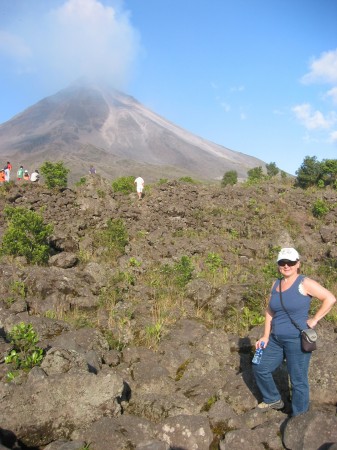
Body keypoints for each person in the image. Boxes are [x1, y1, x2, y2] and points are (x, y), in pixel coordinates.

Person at [253, 247, 336, 416]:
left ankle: (299, 418)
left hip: (297, 339)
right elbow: (270, 311)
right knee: (259, 367)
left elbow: (330, 298)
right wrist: (265, 335)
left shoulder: (304, 283)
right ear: (278, 265)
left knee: (298, 380)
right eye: (282, 262)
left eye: (290, 262)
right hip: (275, 339)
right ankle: (273, 399)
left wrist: (314, 319)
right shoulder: (275, 284)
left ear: (298, 264)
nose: (286, 266)